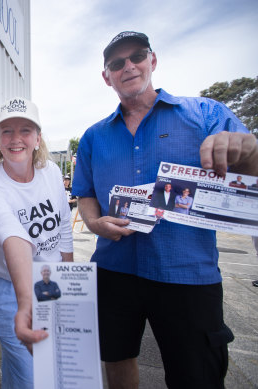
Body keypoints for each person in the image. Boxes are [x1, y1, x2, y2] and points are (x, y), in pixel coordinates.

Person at [72, 31, 258, 389]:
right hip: (115, 270)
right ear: (106, 76)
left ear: (152, 60)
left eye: (137, 56)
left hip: (186, 273)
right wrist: (94, 223)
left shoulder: (205, 114)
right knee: (116, 356)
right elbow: (85, 194)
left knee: (196, 374)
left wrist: (246, 149)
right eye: (116, 63)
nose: (128, 66)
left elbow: (250, 166)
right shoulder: (94, 136)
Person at [0, 97, 73, 388]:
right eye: (7, 131)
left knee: (47, 366)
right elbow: (12, 234)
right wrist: (27, 303)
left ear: (38, 138)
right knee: (32, 374)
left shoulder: (52, 173)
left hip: (53, 279)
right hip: (8, 289)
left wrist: (67, 277)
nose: (16, 139)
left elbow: (64, 223)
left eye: (25, 130)